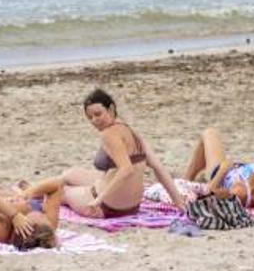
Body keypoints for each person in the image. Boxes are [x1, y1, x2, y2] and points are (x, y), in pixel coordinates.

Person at [20, 88, 187, 218]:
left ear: (111, 108)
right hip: (132, 205)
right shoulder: (130, 131)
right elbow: (158, 168)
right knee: (69, 174)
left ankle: (27, 194)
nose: (95, 120)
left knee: (60, 191)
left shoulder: (109, 134)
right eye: (90, 117)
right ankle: (34, 189)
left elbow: (126, 169)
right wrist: (179, 203)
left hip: (108, 206)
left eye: (98, 114)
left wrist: (98, 199)